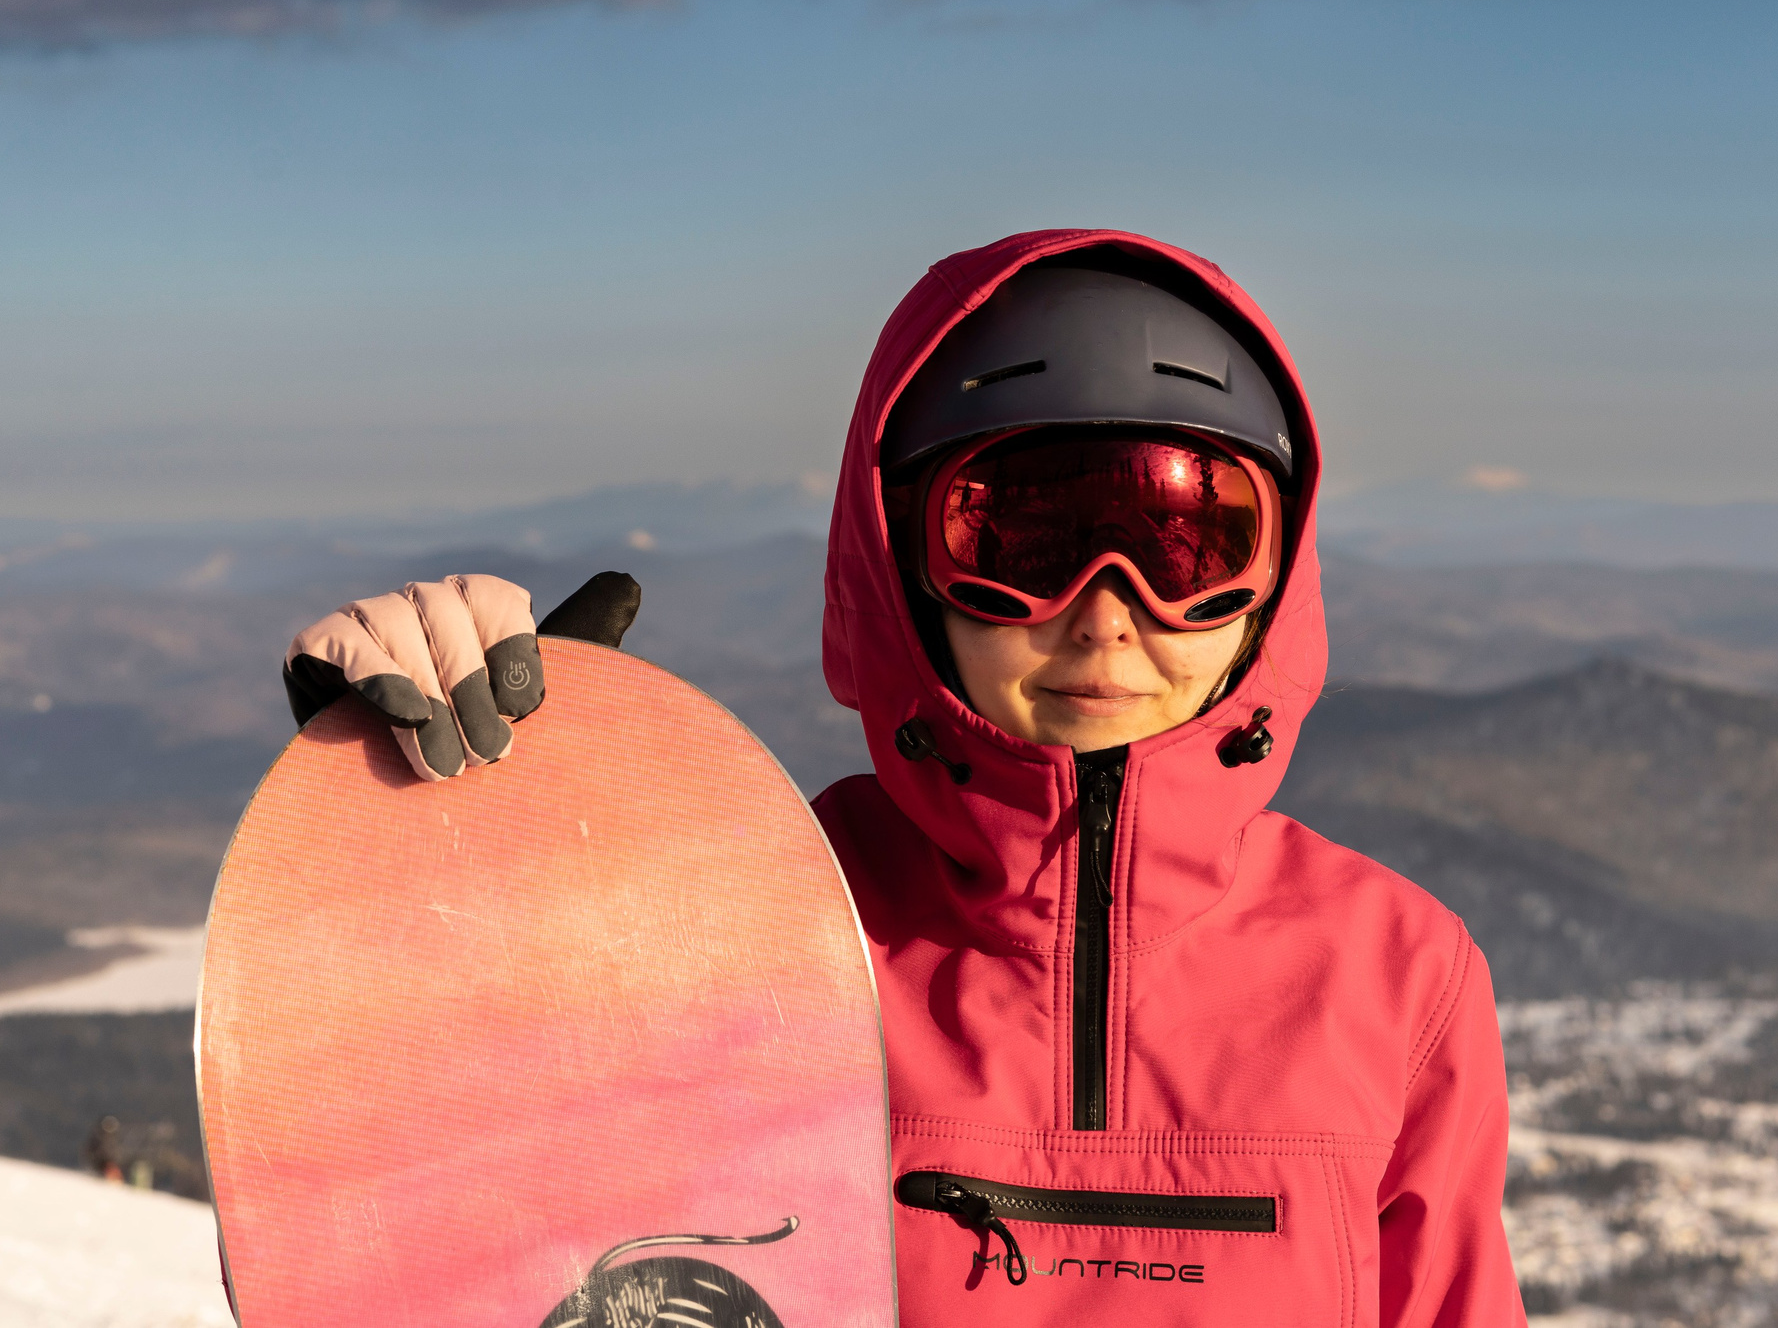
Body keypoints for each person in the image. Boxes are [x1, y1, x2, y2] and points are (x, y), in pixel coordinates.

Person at [285, 230, 1523, 1324]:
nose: (1104, 620)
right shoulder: (743, 929)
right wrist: (420, 867)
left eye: (1187, 543)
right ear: (898, 566)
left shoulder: (1397, 977)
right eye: (1015, 541)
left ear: (1272, 581)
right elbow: (464, 1247)